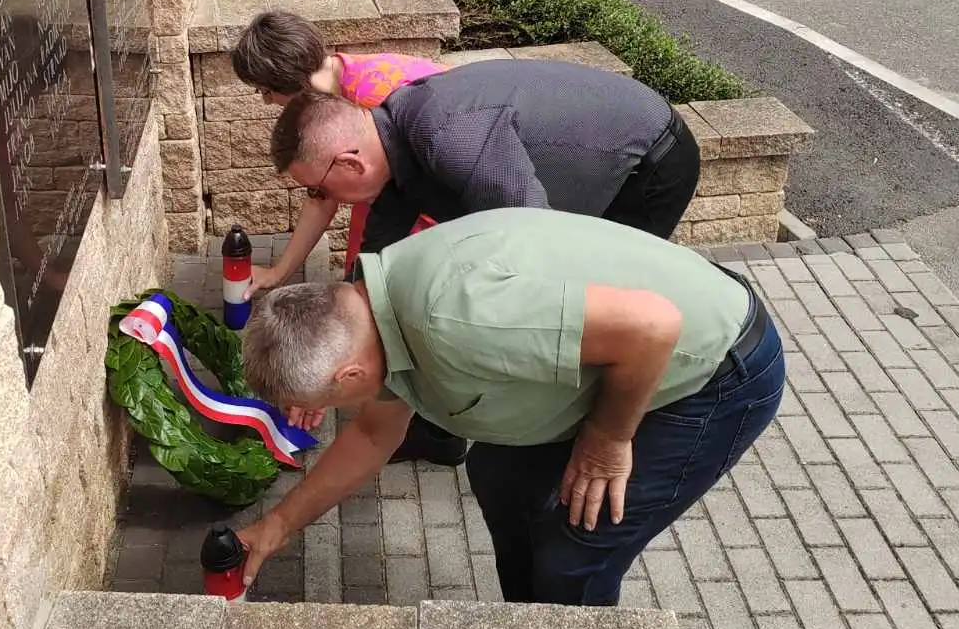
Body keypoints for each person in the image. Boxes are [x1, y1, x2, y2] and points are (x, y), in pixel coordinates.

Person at [232, 207, 785, 606]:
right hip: (634, 348)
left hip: (714, 367)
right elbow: (375, 436)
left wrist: (605, 443)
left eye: (320, 405)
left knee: (573, 557)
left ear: (349, 373)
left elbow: (651, 328)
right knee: (500, 474)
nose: (322, 417)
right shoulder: (370, 311)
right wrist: (275, 528)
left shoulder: (458, 320)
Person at [270, 56, 702, 466]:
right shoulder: (392, 144)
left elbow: (539, 244)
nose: (323, 202)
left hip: (650, 164)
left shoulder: (447, 139)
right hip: (584, 165)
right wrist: (322, 360)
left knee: (592, 297)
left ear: (350, 163)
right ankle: (442, 434)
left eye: (317, 190)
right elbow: (373, 266)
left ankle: (623, 419)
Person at [229, 10, 447, 292]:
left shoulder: (377, 98)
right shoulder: (333, 89)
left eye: (266, 91)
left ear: (293, 81)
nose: (267, 102)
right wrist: (276, 275)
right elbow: (321, 197)